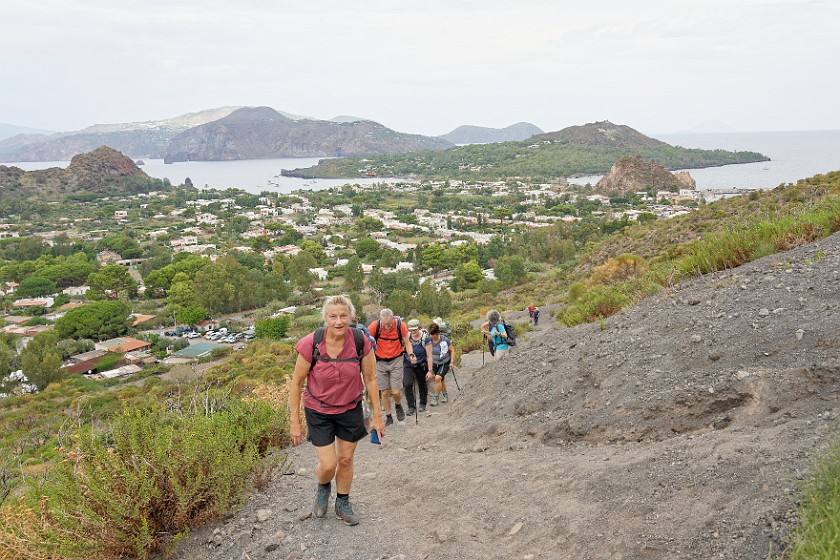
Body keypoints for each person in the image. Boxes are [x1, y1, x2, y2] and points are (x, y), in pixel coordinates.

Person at [289, 295, 384, 526]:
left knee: (345, 459)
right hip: (318, 410)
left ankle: (342, 502)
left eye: (343, 316)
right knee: (328, 465)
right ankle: (323, 488)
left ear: (351, 316)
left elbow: (370, 379)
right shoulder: (312, 343)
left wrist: (378, 417)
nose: (339, 321)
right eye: (333, 316)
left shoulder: (361, 342)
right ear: (326, 318)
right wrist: (294, 420)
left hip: (350, 408)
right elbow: (296, 383)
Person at [368, 308, 414, 425]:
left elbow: (407, 342)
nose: (387, 327)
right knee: (384, 392)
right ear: (380, 320)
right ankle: (389, 416)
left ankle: (398, 405)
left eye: (389, 324)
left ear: (393, 319)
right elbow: (367, 343)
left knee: (396, 392)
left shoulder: (400, 325)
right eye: (385, 324)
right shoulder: (375, 326)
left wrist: (411, 354)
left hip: (396, 360)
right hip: (380, 361)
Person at [403, 319, 429, 415]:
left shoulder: (425, 338)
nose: (413, 332)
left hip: (421, 363)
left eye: (415, 329)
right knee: (407, 384)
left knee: (422, 383)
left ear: (419, 327)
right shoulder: (407, 337)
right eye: (411, 330)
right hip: (408, 363)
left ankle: (422, 402)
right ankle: (411, 406)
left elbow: (429, 354)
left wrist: (430, 369)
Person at [425, 322, 454, 405]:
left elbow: (452, 350)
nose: (431, 336)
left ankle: (435, 398)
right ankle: (445, 395)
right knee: (441, 380)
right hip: (435, 362)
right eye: (430, 334)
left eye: (432, 334)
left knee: (438, 378)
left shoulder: (445, 340)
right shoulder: (429, 340)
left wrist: (451, 362)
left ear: (437, 333)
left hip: (444, 362)